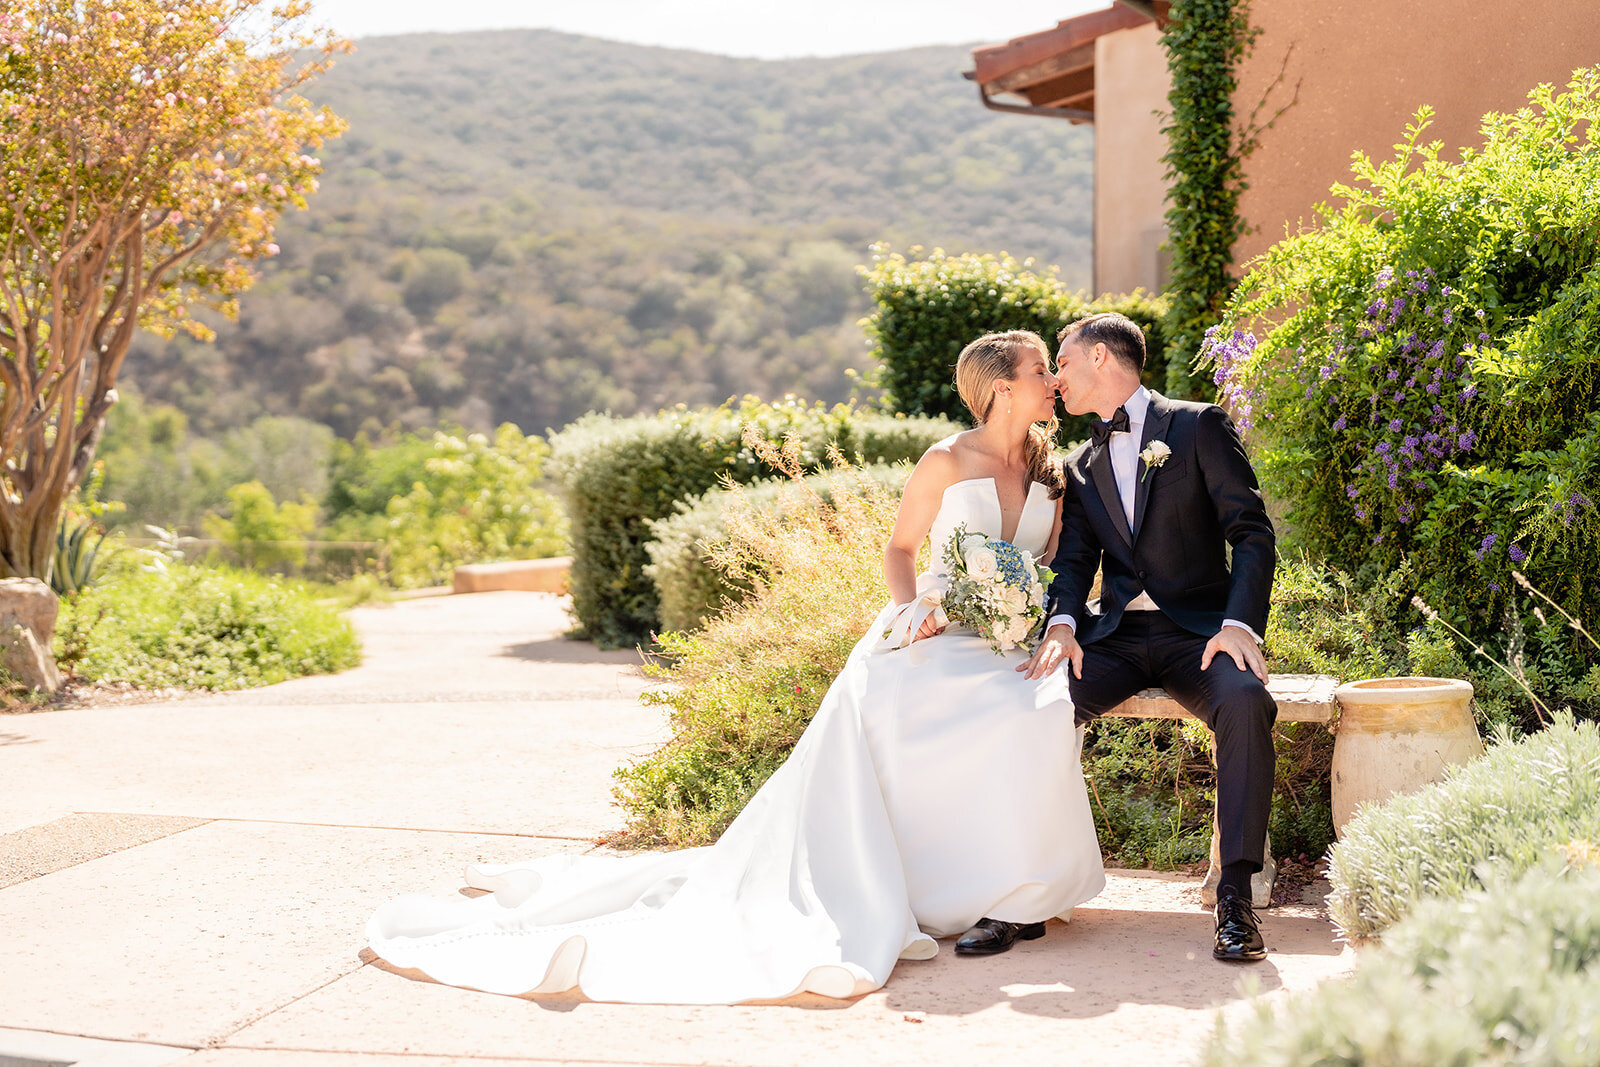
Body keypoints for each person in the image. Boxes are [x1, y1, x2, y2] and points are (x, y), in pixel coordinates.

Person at [366, 329, 1105, 1004]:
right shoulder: (947, 459)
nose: (1053, 381)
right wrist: (913, 613)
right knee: (901, 703)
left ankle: (1016, 894)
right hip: (929, 633)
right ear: (1001, 387)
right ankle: (929, 886)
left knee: (1032, 709)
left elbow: (1051, 565)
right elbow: (900, 550)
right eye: (1042, 370)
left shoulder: (1053, 472)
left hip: (1004, 638)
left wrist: (1028, 603)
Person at [1021, 312, 1277, 963]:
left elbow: (1251, 532)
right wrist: (1062, 625)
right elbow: (1074, 561)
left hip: (1202, 635)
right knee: (1029, 706)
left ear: (1102, 357)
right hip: (1115, 637)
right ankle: (1017, 893)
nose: (1057, 375)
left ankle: (1236, 897)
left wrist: (1238, 624)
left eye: (1065, 360)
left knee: (1246, 702)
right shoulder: (1081, 460)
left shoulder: (1197, 426)